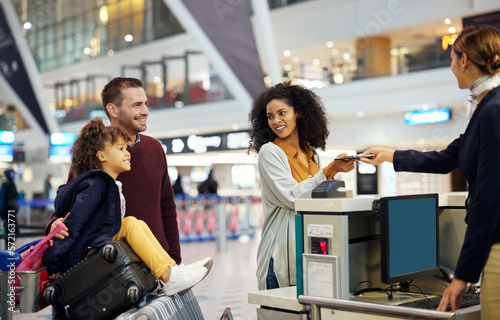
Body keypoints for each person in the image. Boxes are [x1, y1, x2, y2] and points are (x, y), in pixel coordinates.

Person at [360, 25, 500, 317]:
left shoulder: (493, 110)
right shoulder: (484, 107)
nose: (450, 67)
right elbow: (448, 157)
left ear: (463, 61)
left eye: (451, 59)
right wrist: (391, 155)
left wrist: (462, 277)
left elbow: (488, 198)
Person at [42, 118, 212, 295]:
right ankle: (170, 277)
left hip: (98, 245)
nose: (128, 153)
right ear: (101, 156)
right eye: (121, 149)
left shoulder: (108, 184)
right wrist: (53, 262)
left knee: (136, 223)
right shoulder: (95, 185)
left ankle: (170, 270)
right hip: (85, 254)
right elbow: (74, 226)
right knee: (130, 224)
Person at [47, 77, 182, 264]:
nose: (145, 111)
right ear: (113, 110)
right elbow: (68, 201)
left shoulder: (155, 148)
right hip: (113, 267)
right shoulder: (95, 150)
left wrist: (174, 258)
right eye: (136, 105)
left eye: (145, 104)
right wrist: (54, 223)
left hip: (159, 261)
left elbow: (166, 206)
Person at [248, 82, 357, 290]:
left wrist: (335, 177)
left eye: (282, 113)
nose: (276, 121)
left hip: (310, 249)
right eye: (270, 116)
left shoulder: (311, 153)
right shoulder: (270, 152)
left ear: (297, 112)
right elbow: (293, 197)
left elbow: (318, 195)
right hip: (281, 256)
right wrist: (329, 171)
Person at [1, 169, 18, 233]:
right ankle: (9, 243)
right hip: (10, 210)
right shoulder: (11, 185)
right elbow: (12, 199)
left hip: (5, 211)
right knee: (12, 231)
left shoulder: (5, 184)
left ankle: (8, 242)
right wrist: (16, 209)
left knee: (8, 229)